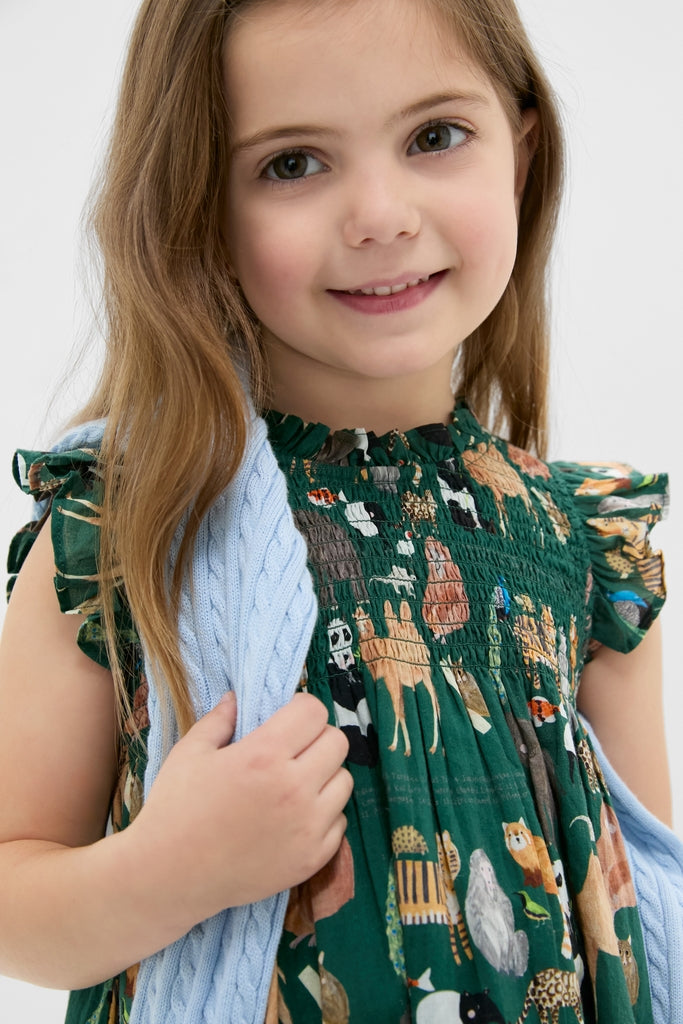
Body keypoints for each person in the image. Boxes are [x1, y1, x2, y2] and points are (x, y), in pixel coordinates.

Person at [0, 0, 676, 1022]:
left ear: (519, 151)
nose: (379, 214)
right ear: (199, 204)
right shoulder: (131, 523)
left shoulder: (578, 543)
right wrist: (166, 871)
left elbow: (641, 905)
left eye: (433, 137)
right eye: (291, 164)